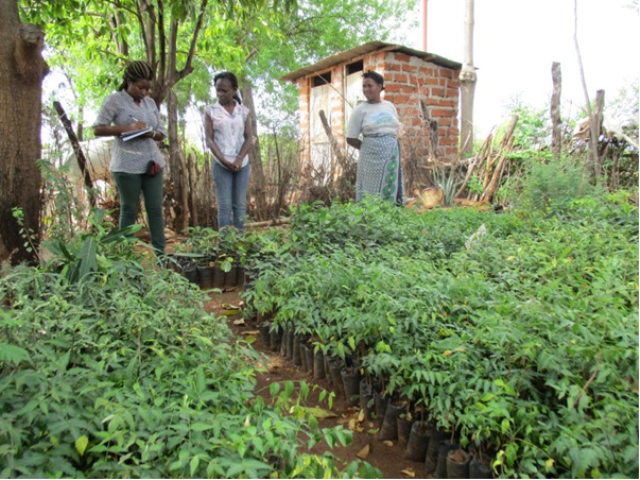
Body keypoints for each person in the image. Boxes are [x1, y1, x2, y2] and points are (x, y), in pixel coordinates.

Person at [93, 60, 167, 255]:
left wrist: (149, 133)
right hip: (126, 163)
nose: (144, 92)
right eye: (140, 87)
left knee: (155, 209)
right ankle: (124, 257)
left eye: (147, 89)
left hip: (152, 162)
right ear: (128, 81)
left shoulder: (150, 103)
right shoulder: (115, 100)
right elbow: (98, 128)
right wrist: (128, 128)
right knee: (129, 209)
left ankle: (161, 255)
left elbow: (161, 132)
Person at [205, 72, 253, 233]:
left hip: (242, 164)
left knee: (239, 204)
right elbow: (210, 139)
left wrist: (239, 158)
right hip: (221, 163)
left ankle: (239, 241)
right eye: (218, 90)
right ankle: (225, 244)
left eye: (224, 91)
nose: (220, 94)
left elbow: (249, 137)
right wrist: (224, 161)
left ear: (234, 90)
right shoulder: (211, 111)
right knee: (224, 205)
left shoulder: (244, 111)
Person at [346, 71, 404, 205]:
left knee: (390, 186)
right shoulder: (360, 110)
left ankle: (390, 218)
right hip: (370, 158)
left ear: (379, 86)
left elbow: (395, 130)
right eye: (364, 86)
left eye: (369, 86)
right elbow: (350, 138)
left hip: (391, 155)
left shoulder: (389, 106)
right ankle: (370, 221)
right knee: (370, 192)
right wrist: (369, 147)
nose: (366, 90)